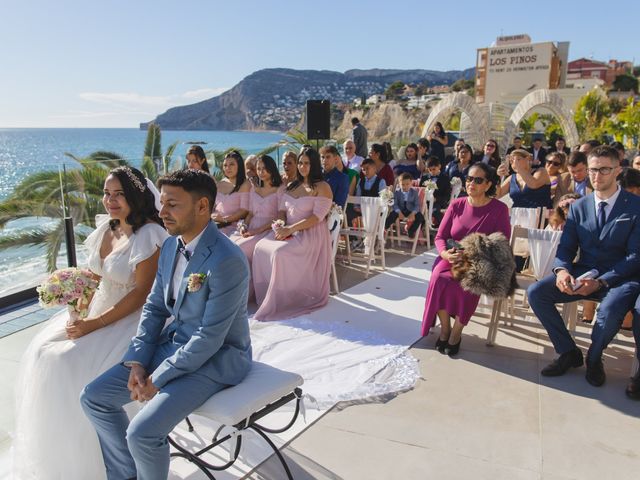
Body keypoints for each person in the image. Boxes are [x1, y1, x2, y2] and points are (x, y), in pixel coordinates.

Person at [81, 169, 252, 480]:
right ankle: (126, 474)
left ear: (202, 207)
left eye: (173, 204)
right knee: (94, 398)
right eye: (162, 203)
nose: (162, 212)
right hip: (173, 345)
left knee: (141, 433)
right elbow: (155, 307)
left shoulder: (228, 259)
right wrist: (137, 362)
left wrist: (157, 377)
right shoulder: (171, 245)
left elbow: (209, 338)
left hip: (216, 360)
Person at [13, 167, 168, 480]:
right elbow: (95, 278)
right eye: (107, 193)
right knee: (43, 349)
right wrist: (77, 305)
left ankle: (103, 461)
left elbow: (141, 293)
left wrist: (94, 324)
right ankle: (61, 452)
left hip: (131, 318)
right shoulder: (107, 227)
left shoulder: (150, 234)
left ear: (136, 196)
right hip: (98, 310)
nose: (110, 200)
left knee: (66, 362)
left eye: (119, 194)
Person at [527, 146, 640, 391]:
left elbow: (635, 256)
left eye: (604, 170)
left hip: (621, 278)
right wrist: (562, 271)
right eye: (592, 170)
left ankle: (594, 358)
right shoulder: (578, 206)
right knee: (536, 293)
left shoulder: (635, 206)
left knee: (609, 311)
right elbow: (566, 249)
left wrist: (602, 281)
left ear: (617, 170)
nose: (597, 176)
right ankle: (568, 352)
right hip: (583, 271)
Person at [421, 162, 511, 356]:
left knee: (469, 282)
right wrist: (445, 253)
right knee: (439, 278)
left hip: (481, 260)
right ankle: (445, 328)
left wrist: (474, 253)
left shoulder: (499, 209)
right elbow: (440, 237)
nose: (471, 183)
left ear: (488, 185)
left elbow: (502, 243)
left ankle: (456, 332)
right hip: (452, 256)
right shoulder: (456, 205)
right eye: (469, 179)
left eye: (478, 180)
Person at [252, 148, 333, 321]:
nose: (303, 167)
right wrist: (280, 224)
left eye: (307, 163)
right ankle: (269, 295)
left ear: (315, 165)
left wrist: (290, 229)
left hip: (310, 234)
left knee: (279, 253)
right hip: (288, 229)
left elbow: (316, 218)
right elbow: (281, 210)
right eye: (301, 163)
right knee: (259, 247)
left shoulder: (323, 187)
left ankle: (284, 298)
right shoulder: (292, 185)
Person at [230, 155, 282, 299]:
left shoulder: (280, 190)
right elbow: (251, 213)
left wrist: (256, 231)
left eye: (264, 168)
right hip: (251, 228)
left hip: (267, 230)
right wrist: (244, 225)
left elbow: (278, 217)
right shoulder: (254, 190)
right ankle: (236, 289)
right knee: (231, 244)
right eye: (258, 169)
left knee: (240, 249)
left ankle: (247, 291)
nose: (261, 172)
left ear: (272, 169)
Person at [212, 150, 251, 235]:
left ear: (239, 166)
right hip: (215, 223)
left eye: (231, 164)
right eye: (225, 165)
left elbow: (244, 211)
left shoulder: (245, 184)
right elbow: (214, 206)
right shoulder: (220, 183)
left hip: (233, 226)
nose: (227, 168)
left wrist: (224, 219)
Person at [347, 157, 387, 225]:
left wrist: (377, 210)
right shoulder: (361, 181)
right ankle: (351, 235)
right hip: (362, 209)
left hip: (375, 210)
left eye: (367, 168)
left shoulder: (381, 181)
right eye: (363, 169)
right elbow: (358, 196)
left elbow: (384, 200)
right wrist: (356, 207)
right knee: (348, 213)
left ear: (374, 168)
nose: (365, 171)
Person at [385, 173, 425, 238]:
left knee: (420, 217)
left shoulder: (414, 192)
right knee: (392, 215)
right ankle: (384, 227)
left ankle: (411, 230)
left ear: (411, 183)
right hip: (400, 210)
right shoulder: (397, 193)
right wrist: (399, 212)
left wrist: (413, 213)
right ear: (399, 184)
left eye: (407, 184)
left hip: (410, 210)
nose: (405, 186)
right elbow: (395, 204)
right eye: (402, 185)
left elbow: (417, 205)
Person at [420, 156, 451, 227]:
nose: (432, 172)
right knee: (419, 211)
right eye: (430, 170)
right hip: (425, 202)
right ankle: (420, 229)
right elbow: (421, 190)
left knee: (434, 211)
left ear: (439, 166)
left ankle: (443, 226)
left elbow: (447, 195)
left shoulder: (445, 178)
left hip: (438, 202)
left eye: (434, 169)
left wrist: (436, 199)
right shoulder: (424, 178)